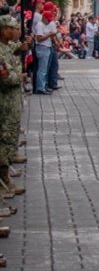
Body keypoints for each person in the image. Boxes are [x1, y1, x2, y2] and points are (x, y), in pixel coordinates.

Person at [0, 15, 29, 197]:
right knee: (5, 139)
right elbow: (4, 78)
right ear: (3, 30)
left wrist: (24, 47)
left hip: (12, 100)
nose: (16, 31)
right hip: (5, 101)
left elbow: (15, 51)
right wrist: (18, 77)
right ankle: (4, 180)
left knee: (9, 137)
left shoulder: (6, 48)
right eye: (13, 28)